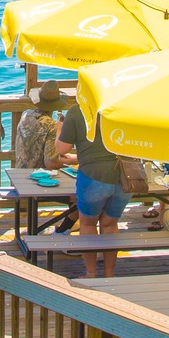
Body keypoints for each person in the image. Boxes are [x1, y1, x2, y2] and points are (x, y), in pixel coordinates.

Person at [57, 101, 127, 279]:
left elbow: (62, 148)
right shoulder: (122, 107)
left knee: (88, 224)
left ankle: (91, 273)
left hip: (93, 175)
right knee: (110, 224)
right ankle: (109, 273)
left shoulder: (77, 111)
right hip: (125, 177)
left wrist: (59, 128)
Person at [14, 83, 66, 172]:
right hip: (38, 175)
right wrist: (75, 160)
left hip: (19, 171)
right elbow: (51, 163)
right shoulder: (51, 125)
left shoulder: (26, 114)